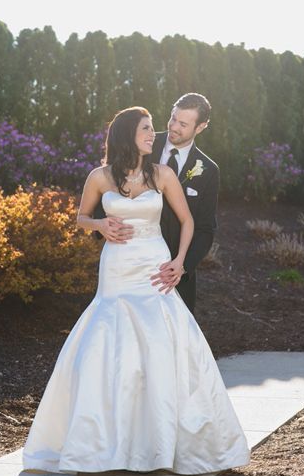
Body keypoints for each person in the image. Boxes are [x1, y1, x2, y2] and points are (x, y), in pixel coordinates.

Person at [22, 107, 249, 475]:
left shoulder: (162, 174)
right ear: (128, 134)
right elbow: (81, 218)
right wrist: (100, 225)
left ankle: (160, 443)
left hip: (154, 267)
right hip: (116, 269)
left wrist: (179, 261)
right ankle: (103, 443)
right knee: (109, 344)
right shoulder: (98, 177)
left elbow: (188, 220)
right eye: (146, 128)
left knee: (158, 344)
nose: (153, 134)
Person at [92, 93, 220, 313]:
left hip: (172, 273)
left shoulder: (208, 170)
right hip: (126, 264)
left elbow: (205, 228)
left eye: (183, 124)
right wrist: (102, 225)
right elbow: (107, 184)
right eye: (173, 118)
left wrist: (182, 266)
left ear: (200, 127)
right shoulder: (142, 142)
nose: (174, 127)